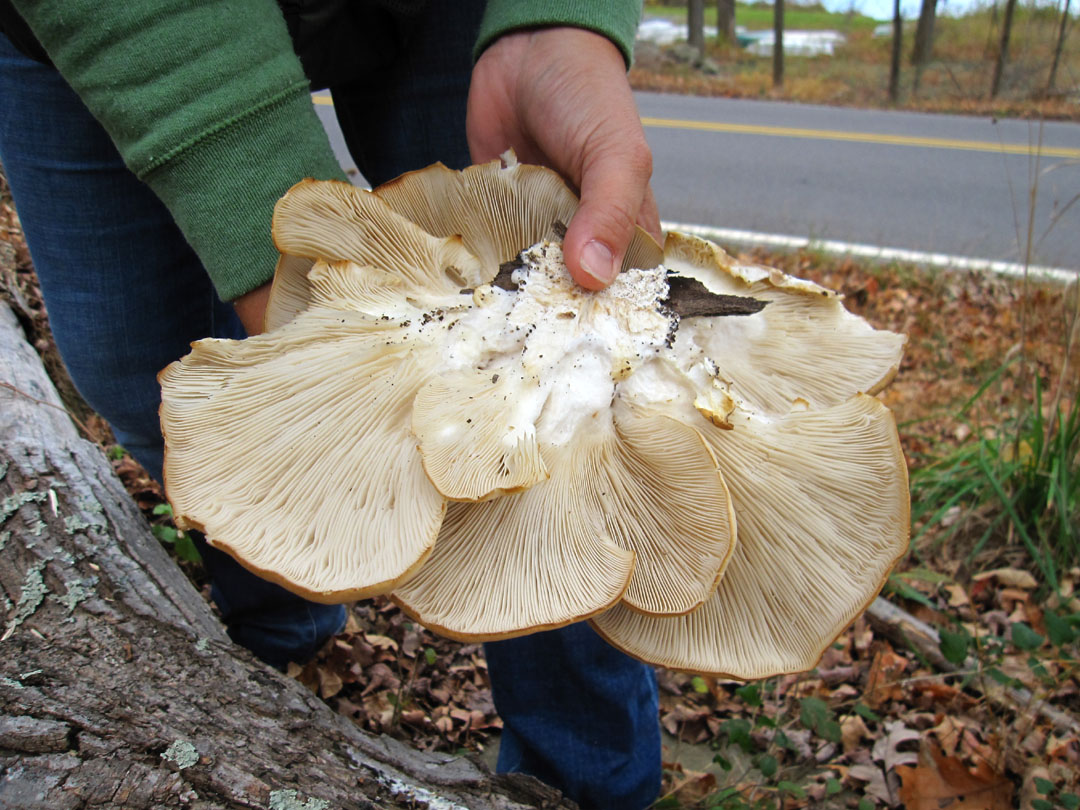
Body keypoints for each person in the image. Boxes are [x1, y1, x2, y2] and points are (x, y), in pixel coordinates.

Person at [0, 2, 661, 807]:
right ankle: (283, 624)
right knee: (136, 365)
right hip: (103, 26)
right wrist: (228, 162)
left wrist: (554, 18)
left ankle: (589, 781)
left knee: (555, 430)